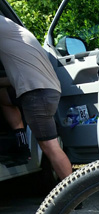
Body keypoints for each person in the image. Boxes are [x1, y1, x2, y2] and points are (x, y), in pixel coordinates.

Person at [0, 15, 72, 180]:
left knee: (50, 146)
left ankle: (74, 195)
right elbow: (15, 75)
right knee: (3, 97)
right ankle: (21, 142)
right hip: (44, 90)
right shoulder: (12, 29)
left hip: (36, 94)